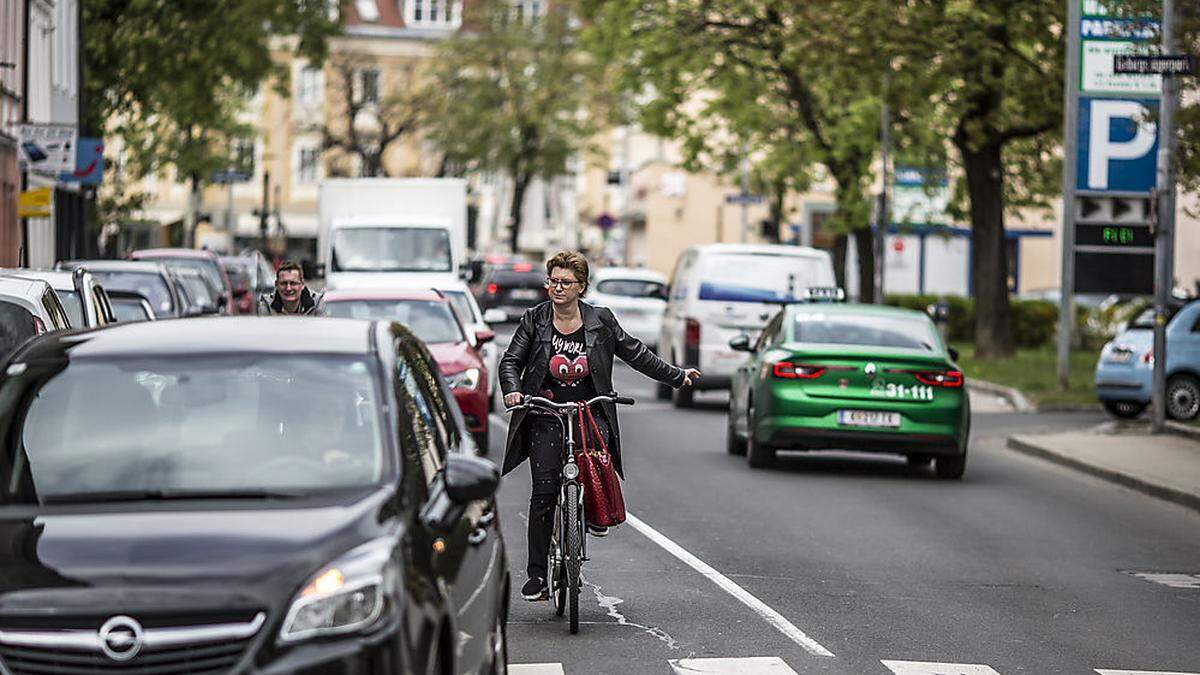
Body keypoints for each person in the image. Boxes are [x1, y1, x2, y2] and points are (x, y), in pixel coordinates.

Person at [500, 251, 700, 601]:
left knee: (595, 465)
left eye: (565, 283)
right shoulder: (534, 320)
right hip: (545, 410)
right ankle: (536, 576)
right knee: (544, 493)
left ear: (581, 287)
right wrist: (514, 391)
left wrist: (676, 376)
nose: (557, 288)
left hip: (590, 411)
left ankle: (590, 512)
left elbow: (636, 353)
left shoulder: (600, 321)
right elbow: (511, 361)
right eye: (553, 281)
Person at [257, 261, 326, 316]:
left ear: (302, 285)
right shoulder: (266, 304)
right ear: (276, 285)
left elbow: (323, 331)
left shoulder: (316, 303)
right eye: (283, 283)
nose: (288, 288)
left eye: (293, 283)